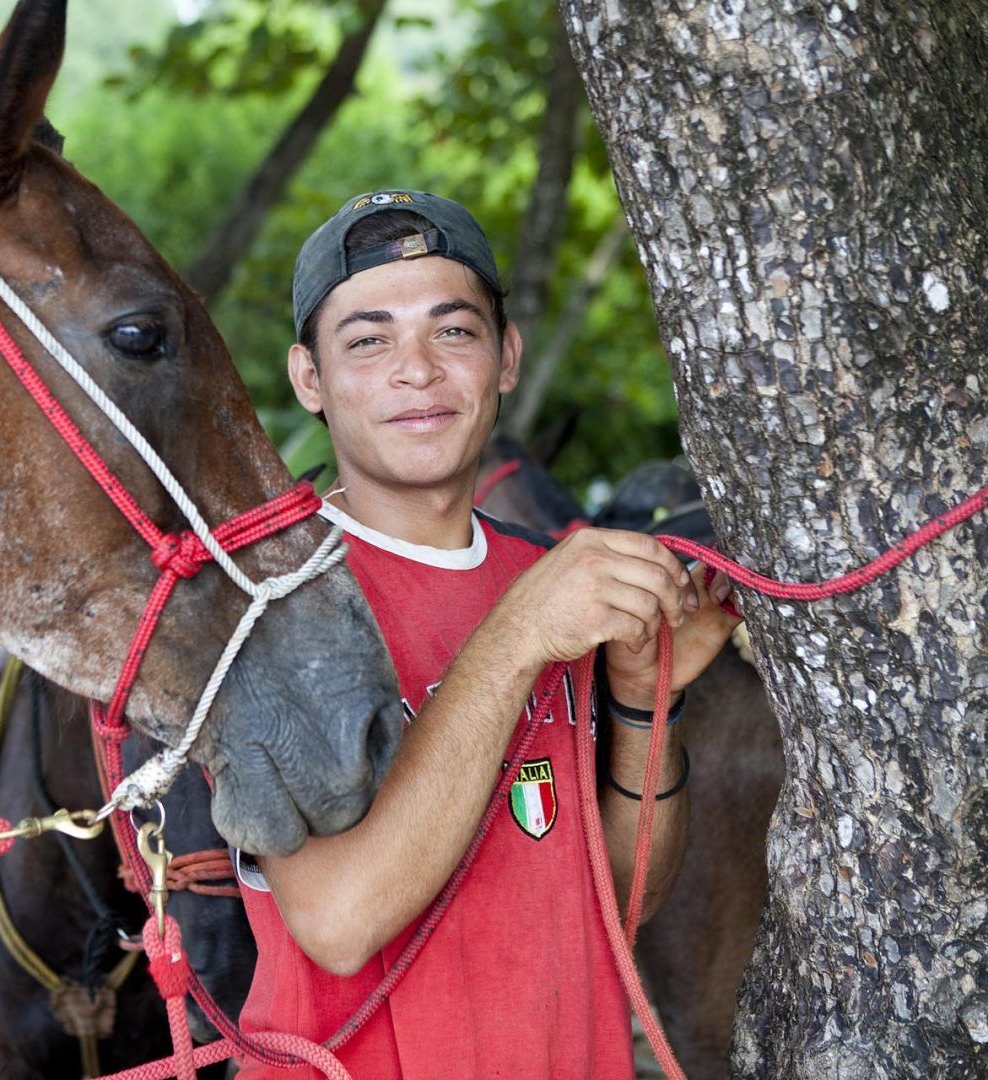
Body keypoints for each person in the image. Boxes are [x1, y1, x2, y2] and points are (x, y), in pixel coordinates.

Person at [232, 190, 741, 1078]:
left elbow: (622, 901)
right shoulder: (270, 604)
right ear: (308, 378)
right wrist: (514, 640)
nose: (417, 370)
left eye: (453, 331)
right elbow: (341, 924)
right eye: (367, 339)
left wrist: (640, 701)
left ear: (505, 358)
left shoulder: (547, 582)